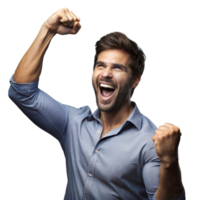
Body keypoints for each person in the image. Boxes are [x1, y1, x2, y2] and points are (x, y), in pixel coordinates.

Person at [7, 7, 186, 200]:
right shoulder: (73, 123)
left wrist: (169, 162)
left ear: (135, 80)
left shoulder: (150, 143)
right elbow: (21, 92)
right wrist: (48, 29)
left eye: (117, 67)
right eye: (100, 65)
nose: (106, 73)